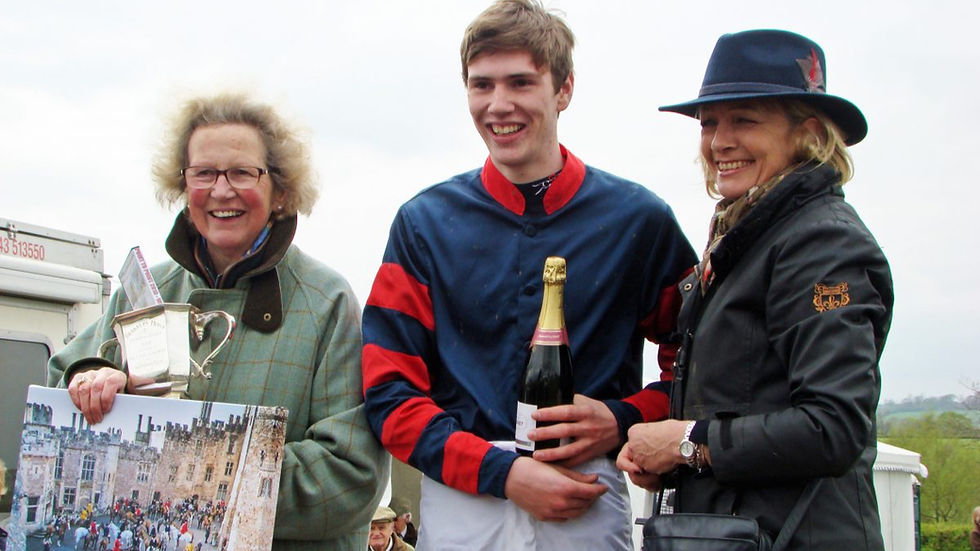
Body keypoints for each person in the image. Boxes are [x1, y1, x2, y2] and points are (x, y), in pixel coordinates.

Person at [361, 0, 696, 548]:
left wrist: (622, 418)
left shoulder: (639, 220)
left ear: (564, 89)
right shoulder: (423, 224)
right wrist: (503, 473)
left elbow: (697, 361)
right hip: (463, 503)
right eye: (481, 85)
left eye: (520, 82)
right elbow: (387, 391)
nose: (498, 104)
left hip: (586, 493)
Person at [47, 92, 388, 550]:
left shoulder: (327, 302)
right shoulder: (142, 291)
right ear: (183, 184)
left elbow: (350, 478)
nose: (221, 190)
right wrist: (90, 379)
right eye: (204, 173)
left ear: (280, 190)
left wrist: (189, 478)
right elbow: (58, 389)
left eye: (243, 172)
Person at [616, 30, 893, 550]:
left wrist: (685, 443)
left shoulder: (822, 242)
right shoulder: (748, 237)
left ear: (807, 133)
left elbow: (832, 426)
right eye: (709, 123)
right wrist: (673, 460)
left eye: (744, 120)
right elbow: (739, 407)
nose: (720, 141)